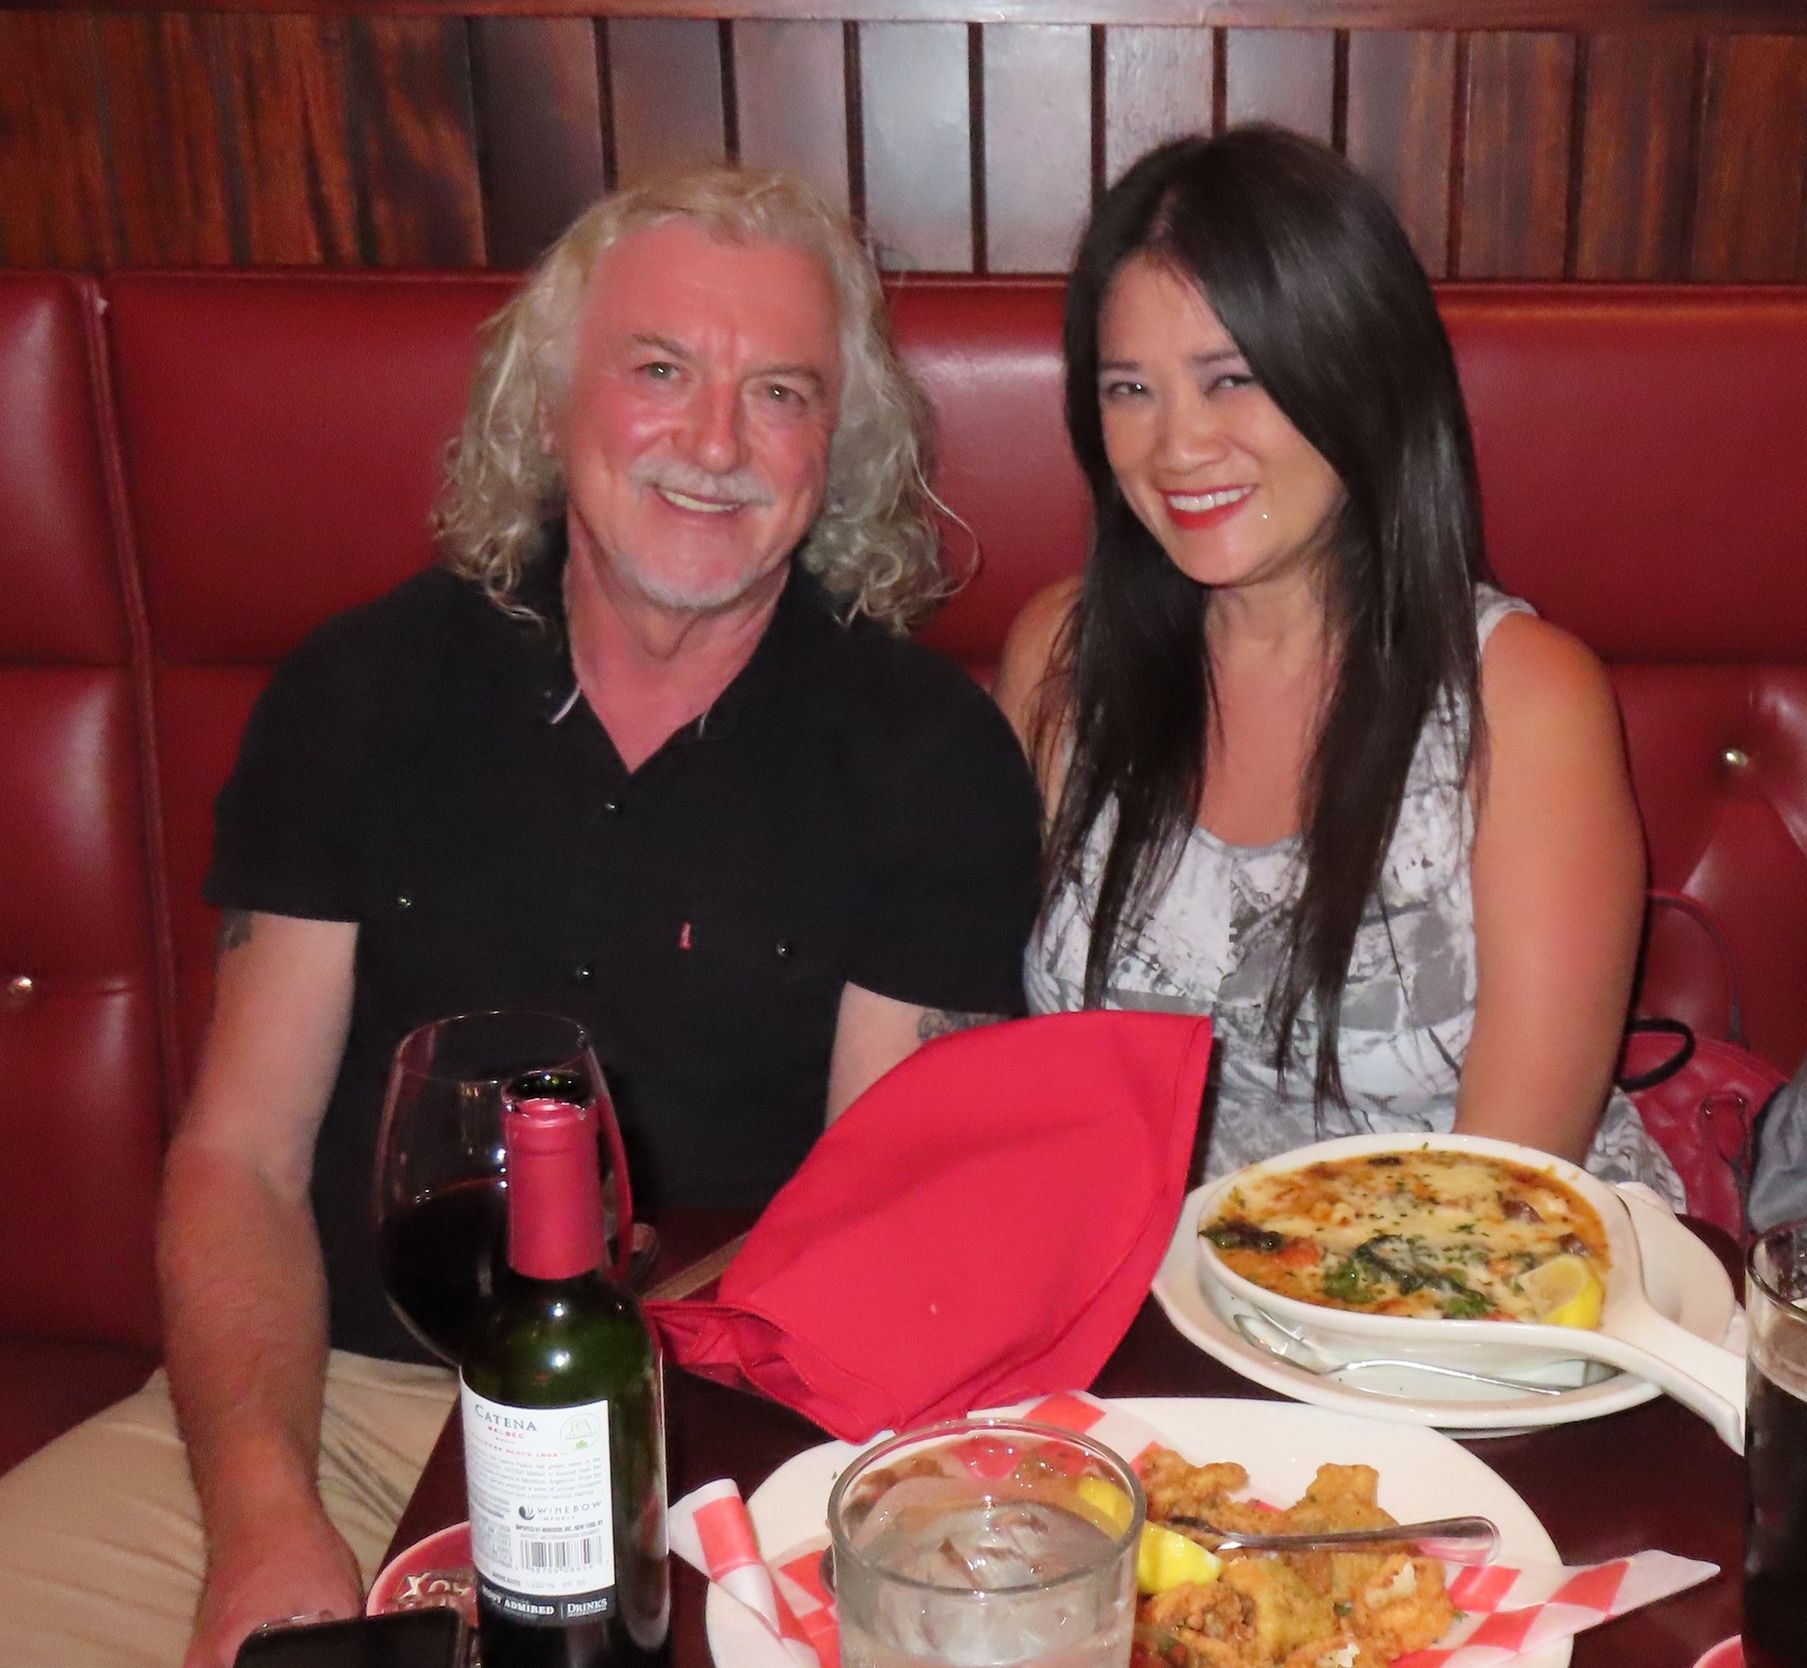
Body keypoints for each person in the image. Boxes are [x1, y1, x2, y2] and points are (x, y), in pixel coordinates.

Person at [0, 164, 1041, 1668]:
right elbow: (238, 1155)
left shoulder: (931, 758)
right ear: (549, 404)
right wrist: (263, 1523)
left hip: (714, 1433)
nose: (713, 443)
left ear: (840, 446)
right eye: (661, 371)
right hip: (339, 1406)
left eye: (782, 394)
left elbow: (866, 1241)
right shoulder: (357, 696)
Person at [995, 126, 1680, 1199]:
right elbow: (991, 1072)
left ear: (1357, 373)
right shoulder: (1061, 660)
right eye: (1130, 390)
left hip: (1464, 1307)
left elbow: (1508, 1191)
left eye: (1230, 379)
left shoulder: (1522, 702)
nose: (1176, 447)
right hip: (1132, 1309)